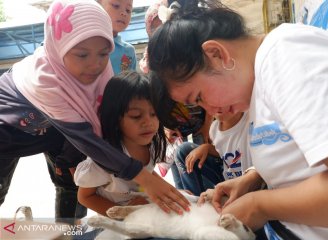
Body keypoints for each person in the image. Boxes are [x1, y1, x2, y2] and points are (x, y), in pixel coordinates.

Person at [147, 0, 328, 239]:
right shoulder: (257, 86)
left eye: (199, 97)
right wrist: (255, 179)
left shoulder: (286, 55)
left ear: (217, 54)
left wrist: (260, 205)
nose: (211, 110)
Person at [0, 0, 189, 220]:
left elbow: (101, 118)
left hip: (52, 133)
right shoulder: (44, 80)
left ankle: (69, 233)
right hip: (7, 135)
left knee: (69, 184)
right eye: (82, 55)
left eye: (103, 54)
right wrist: (145, 179)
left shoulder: (100, 68)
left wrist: (72, 160)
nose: (95, 65)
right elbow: (86, 138)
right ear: (58, 46)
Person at [140, 0, 217, 192]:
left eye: (165, 26)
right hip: (173, 126)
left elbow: (208, 94)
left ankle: (205, 198)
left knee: (200, 161)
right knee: (179, 164)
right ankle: (185, 197)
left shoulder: (190, 54)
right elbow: (154, 100)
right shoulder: (150, 62)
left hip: (200, 121)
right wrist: (165, 127)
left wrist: (207, 124)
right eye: (156, 29)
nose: (163, 33)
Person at [74, 71, 167, 216]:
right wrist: (125, 213)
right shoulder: (103, 160)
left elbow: (147, 173)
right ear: (115, 118)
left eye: (154, 114)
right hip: (114, 219)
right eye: (136, 116)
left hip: (143, 213)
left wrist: (170, 191)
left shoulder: (151, 145)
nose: (148, 122)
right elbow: (85, 197)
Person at [178, 111, 253, 196]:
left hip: (251, 185)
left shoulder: (252, 120)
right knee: (183, 150)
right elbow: (223, 152)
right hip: (227, 178)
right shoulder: (214, 128)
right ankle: (196, 200)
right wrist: (207, 147)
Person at [97, 0, 137, 74]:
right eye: (116, 6)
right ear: (97, 5)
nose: (124, 13)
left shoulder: (129, 51)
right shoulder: (86, 43)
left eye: (128, 10)